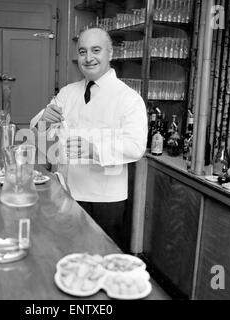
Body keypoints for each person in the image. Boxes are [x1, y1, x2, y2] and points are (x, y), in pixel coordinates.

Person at [30, 27, 147, 247]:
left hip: (104, 200)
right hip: (65, 192)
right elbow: (40, 131)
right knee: (65, 255)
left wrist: (94, 149)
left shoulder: (129, 99)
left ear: (110, 54)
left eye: (96, 50)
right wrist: (44, 118)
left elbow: (136, 146)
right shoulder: (67, 93)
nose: (89, 58)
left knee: (100, 261)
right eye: (83, 52)